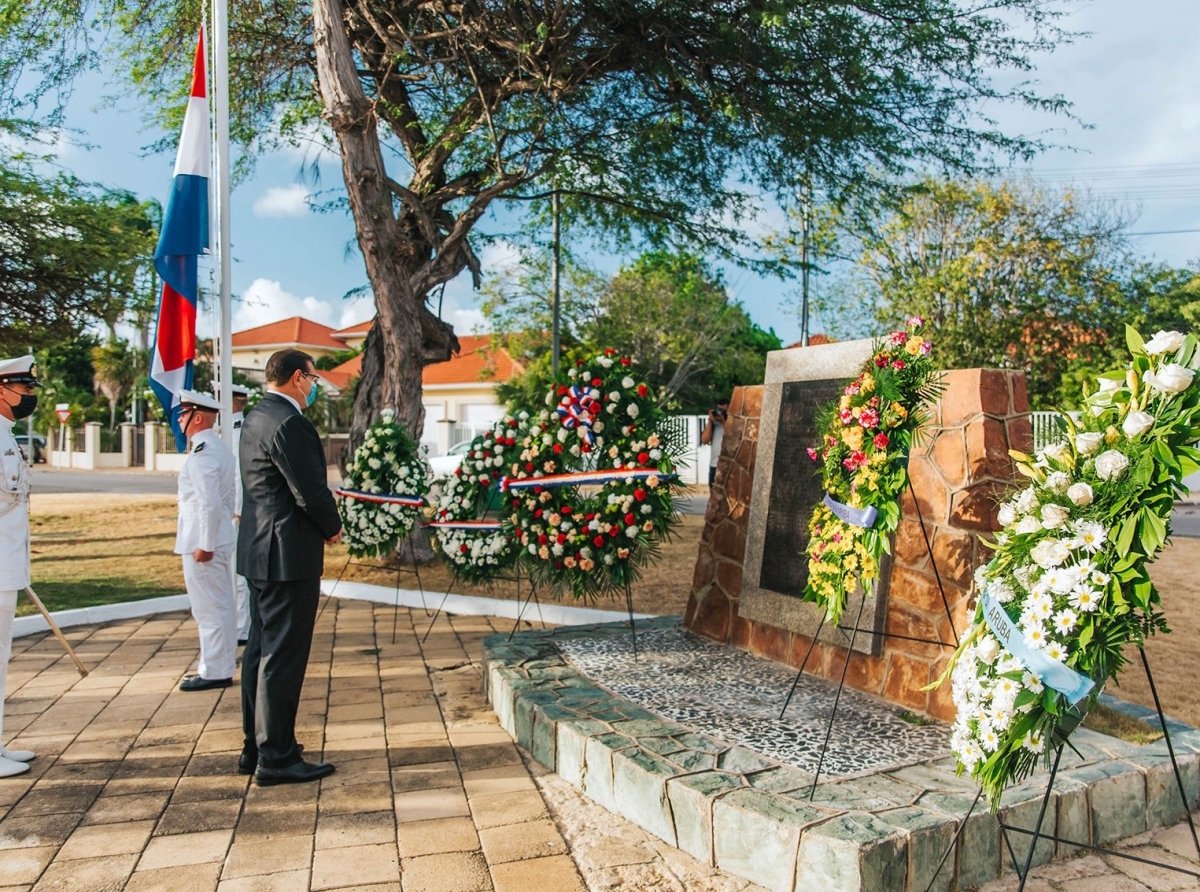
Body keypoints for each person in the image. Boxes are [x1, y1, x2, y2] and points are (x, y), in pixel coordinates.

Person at [237, 349, 341, 785]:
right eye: (313, 378)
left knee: (260, 652)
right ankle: (277, 757)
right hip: (287, 555)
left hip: (260, 552)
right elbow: (310, 490)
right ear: (298, 378)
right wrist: (332, 526)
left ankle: (256, 746)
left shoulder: (256, 415)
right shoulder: (289, 422)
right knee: (283, 656)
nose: (314, 386)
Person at [174, 389, 239, 692]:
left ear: (197, 417)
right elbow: (228, 497)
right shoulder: (219, 449)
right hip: (218, 537)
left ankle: (214, 670)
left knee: (209, 609)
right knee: (221, 605)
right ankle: (221, 665)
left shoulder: (203, 454)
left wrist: (206, 544)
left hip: (203, 543)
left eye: (183, 414)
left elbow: (209, 503)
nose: (179, 419)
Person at [0, 356, 40, 777]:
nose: (28, 398)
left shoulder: (6, 436)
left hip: (6, 564)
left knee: (2, 656)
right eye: (23, 390)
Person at [212, 381, 253, 644]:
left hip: (236, 514)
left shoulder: (239, 429)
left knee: (238, 575)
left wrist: (237, 510)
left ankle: (242, 628)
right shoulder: (226, 430)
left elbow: (240, 474)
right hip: (227, 512)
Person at [700, 397, 731, 487]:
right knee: (714, 496)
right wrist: (710, 421)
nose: (720, 412)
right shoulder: (714, 424)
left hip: (728, 466)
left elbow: (730, 438)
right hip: (714, 465)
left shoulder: (732, 423)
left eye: (723, 410)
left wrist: (723, 422)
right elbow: (704, 440)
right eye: (719, 409)